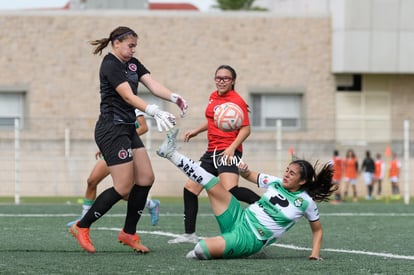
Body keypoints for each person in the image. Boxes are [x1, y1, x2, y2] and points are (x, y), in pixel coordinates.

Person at [69, 26, 188, 254]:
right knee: (123, 187)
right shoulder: (110, 64)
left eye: (135, 46)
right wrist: (153, 111)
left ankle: (128, 233)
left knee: (145, 178)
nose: (133, 50)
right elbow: (127, 95)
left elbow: (152, 85)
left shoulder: (133, 64)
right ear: (116, 43)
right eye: (130, 45)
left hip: (126, 129)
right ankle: (81, 226)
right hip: (111, 129)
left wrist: (174, 97)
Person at [156, 129, 334, 260]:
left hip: (250, 238)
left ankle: (233, 246)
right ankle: (170, 153)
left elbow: (317, 230)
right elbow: (250, 176)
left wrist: (315, 254)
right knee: (211, 181)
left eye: (292, 173)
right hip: (239, 216)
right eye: (287, 170)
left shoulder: (306, 202)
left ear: (302, 181)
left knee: (200, 250)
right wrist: (244, 171)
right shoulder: (276, 182)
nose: (286, 174)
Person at [168, 65, 261, 244]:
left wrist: (233, 147)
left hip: (228, 152)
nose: (221, 81)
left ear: (233, 81)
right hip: (211, 152)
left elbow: (246, 129)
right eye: (218, 77)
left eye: (225, 78)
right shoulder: (213, 96)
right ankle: (190, 235)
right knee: (190, 189)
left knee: (230, 191)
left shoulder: (237, 101)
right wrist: (197, 130)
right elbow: (214, 120)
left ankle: (266, 206)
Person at [67, 110, 160, 228]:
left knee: (124, 192)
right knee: (92, 181)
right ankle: (84, 218)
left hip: (126, 149)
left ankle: (151, 205)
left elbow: (143, 127)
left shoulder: (132, 102)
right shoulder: (113, 104)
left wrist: (121, 139)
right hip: (113, 147)